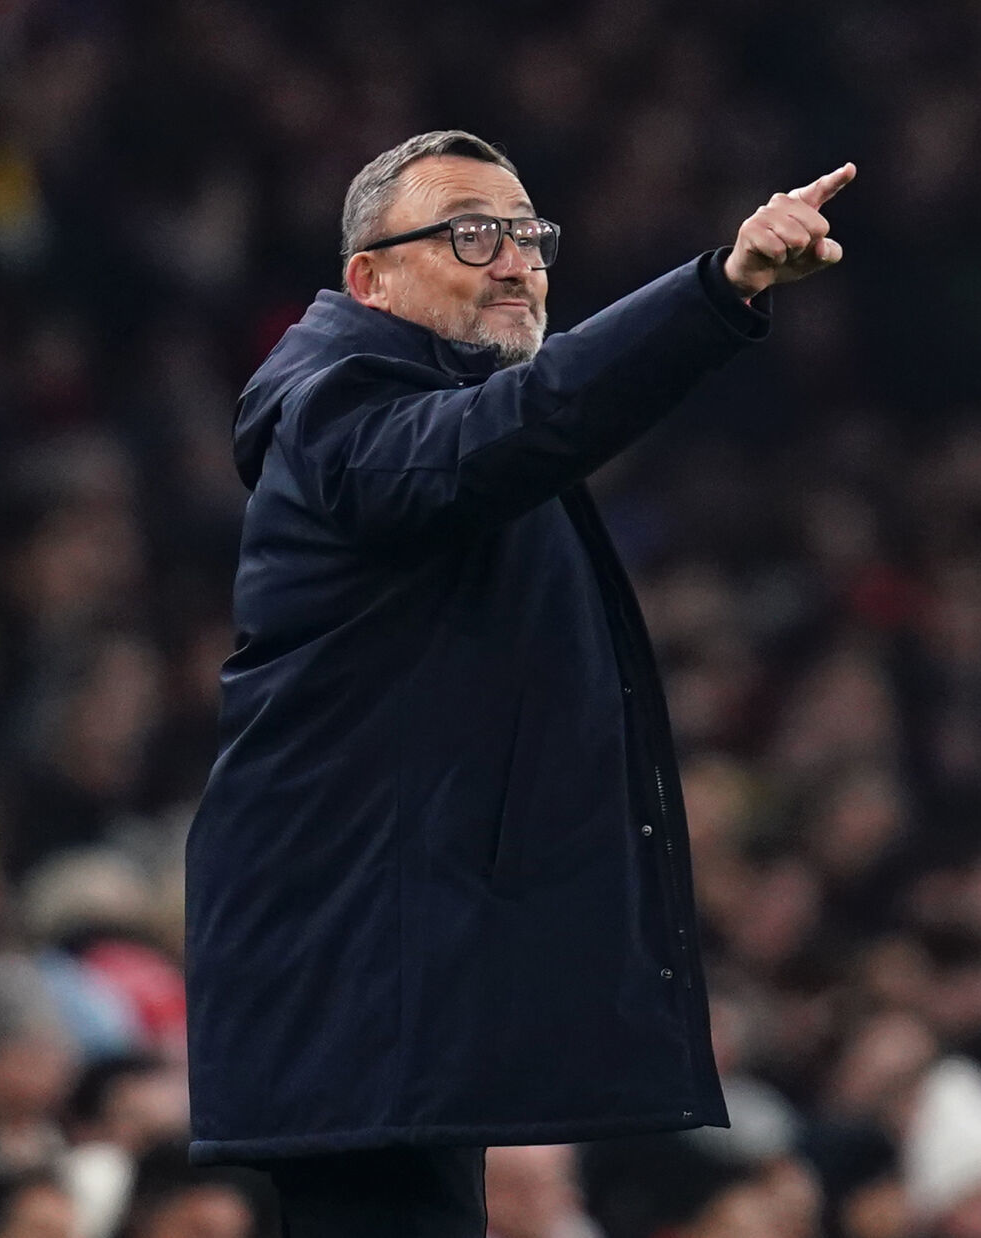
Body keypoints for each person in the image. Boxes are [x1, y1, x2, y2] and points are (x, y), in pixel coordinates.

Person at [182, 128, 854, 1236]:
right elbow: (524, 423)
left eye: (528, 237)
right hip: (357, 978)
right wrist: (716, 289)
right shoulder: (334, 406)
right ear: (370, 279)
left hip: (396, 973)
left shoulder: (444, 410)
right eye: (470, 236)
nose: (515, 263)